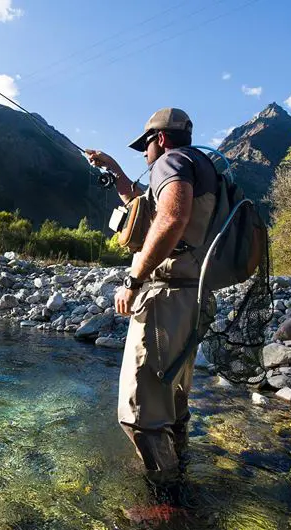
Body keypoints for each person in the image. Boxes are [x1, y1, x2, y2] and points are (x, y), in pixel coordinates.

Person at [85, 107, 218, 485]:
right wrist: (111, 167)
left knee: (140, 415)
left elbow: (171, 217)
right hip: (196, 297)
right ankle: (181, 475)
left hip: (168, 299)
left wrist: (133, 279)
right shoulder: (201, 167)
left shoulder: (171, 162)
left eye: (145, 145)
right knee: (173, 403)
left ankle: (166, 502)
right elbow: (145, 205)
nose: (144, 154)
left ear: (160, 139)